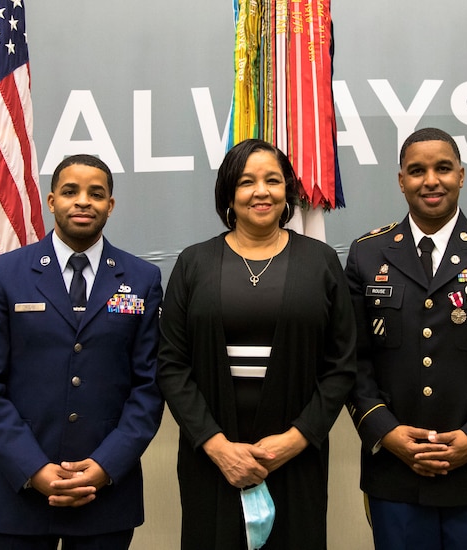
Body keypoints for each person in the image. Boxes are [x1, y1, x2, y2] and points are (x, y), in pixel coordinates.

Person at [345, 128, 467, 550]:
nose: (431, 180)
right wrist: (387, 431)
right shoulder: (368, 254)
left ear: (461, 175)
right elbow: (352, 362)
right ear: (401, 180)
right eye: (417, 171)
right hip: (396, 473)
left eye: (442, 169)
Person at [157, 138, 357, 549]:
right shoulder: (193, 263)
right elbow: (171, 364)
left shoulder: (320, 262)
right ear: (229, 192)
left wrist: (296, 438)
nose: (261, 191)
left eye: (273, 180)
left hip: (295, 459)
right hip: (211, 460)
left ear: (288, 192)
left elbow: (341, 365)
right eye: (247, 181)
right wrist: (217, 446)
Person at [0, 154, 164, 550]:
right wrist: (32, 467)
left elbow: (150, 386)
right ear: (52, 201)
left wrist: (107, 465)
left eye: (96, 194)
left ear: (111, 206)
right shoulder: (5, 274)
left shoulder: (142, 279)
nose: (83, 201)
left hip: (104, 494)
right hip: (18, 493)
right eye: (70, 192)